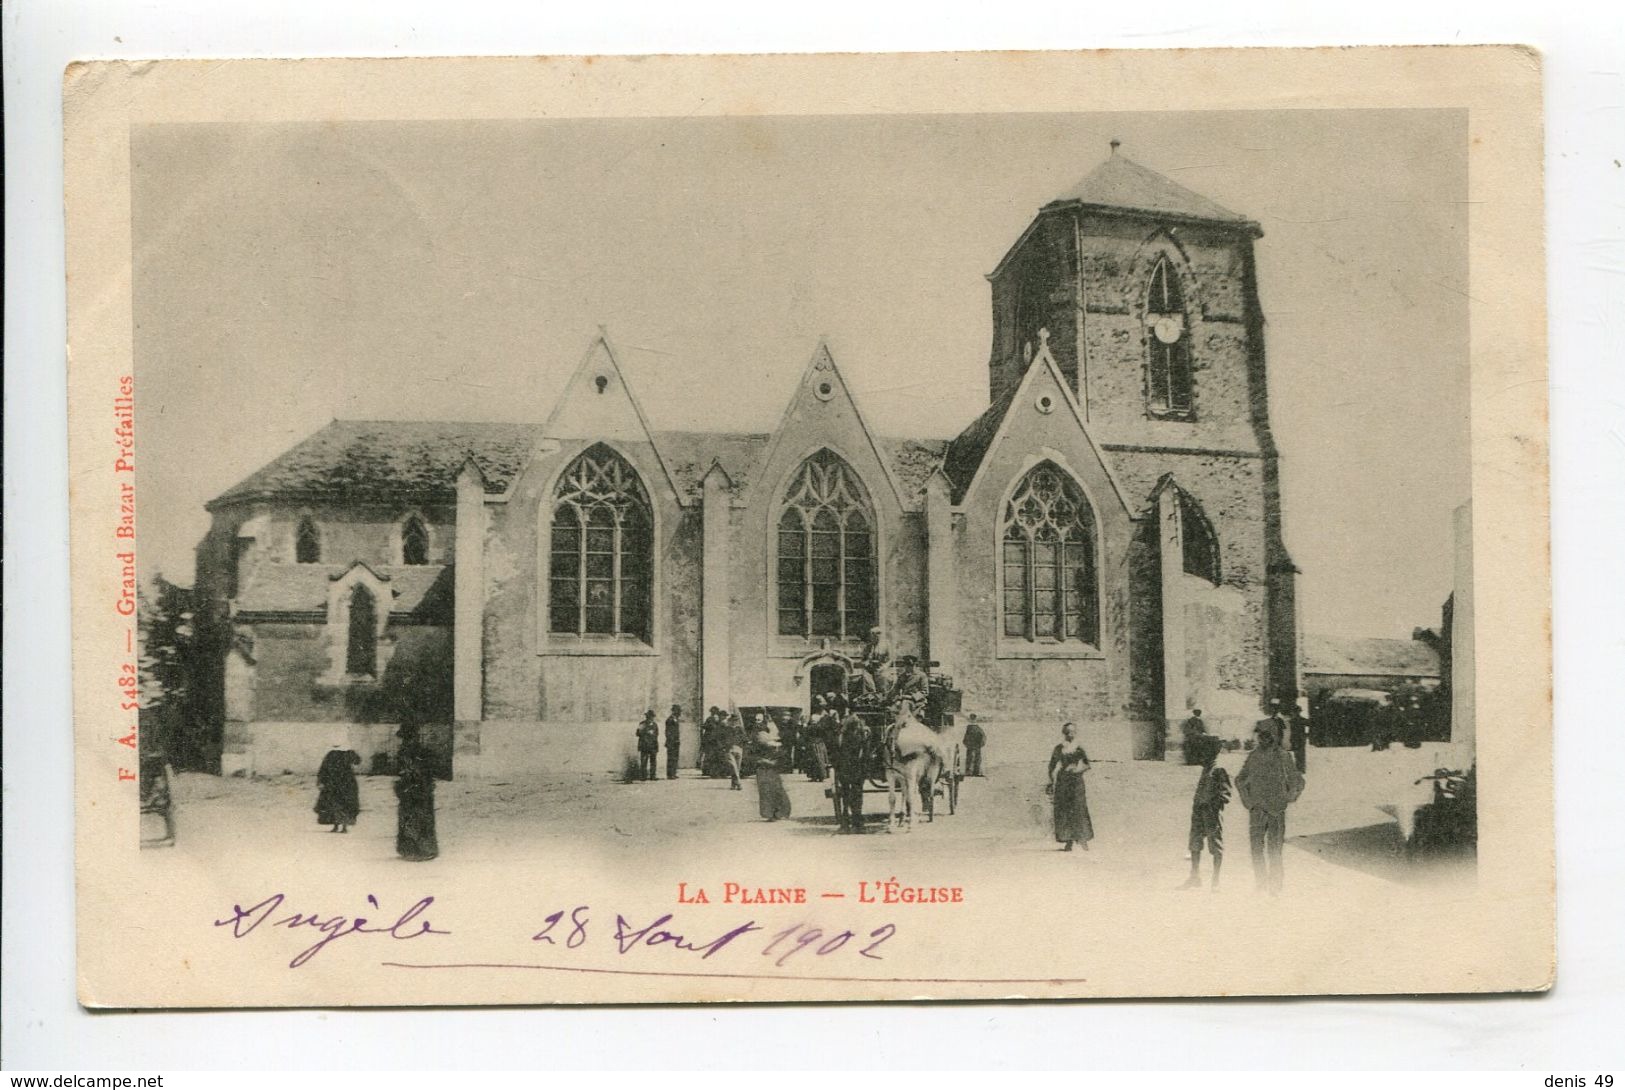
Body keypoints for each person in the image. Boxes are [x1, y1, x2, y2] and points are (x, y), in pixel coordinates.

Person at [1235, 716, 1305, 893]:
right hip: (1257, 810)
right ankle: (1260, 884)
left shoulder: (1283, 756)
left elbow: (1298, 781)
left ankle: (1275, 886)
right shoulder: (1253, 756)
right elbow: (1240, 779)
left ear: (1274, 736)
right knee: (1256, 849)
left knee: (1274, 851)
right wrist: (1248, 801)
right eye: (1261, 736)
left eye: (1267, 735)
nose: (1263, 739)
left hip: (1276, 810)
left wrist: (1288, 797)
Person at [1178, 734, 1231, 890]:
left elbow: (1226, 794)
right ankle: (1195, 877)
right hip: (1199, 811)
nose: (1202, 754)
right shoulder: (1206, 769)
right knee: (1194, 843)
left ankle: (1216, 882)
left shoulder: (1219, 769)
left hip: (1211, 813)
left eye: (1205, 750)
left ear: (1213, 751)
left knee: (1216, 846)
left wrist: (1211, 805)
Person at [1046, 723, 1094, 851]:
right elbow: (1051, 766)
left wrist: (1077, 769)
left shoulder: (1079, 748)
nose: (1070, 735)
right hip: (1063, 782)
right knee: (1064, 810)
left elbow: (1087, 765)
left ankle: (1083, 839)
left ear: (1076, 733)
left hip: (1077, 782)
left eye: (1072, 732)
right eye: (1067, 732)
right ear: (1064, 733)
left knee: (1078, 808)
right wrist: (1051, 781)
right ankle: (1068, 841)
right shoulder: (1059, 748)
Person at [394, 729, 439, 862]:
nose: (403, 742)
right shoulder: (420, 751)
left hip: (416, 789)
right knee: (419, 818)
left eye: (404, 739)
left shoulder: (407, 752)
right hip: (418, 789)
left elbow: (408, 771)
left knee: (414, 818)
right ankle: (421, 849)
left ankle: (417, 850)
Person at [832, 711, 870, 834]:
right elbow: (865, 753)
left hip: (846, 768)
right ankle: (856, 821)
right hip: (855, 768)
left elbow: (836, 752)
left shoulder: (842, 736)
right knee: (857, 794)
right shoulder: (860, 736)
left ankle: (847, 822)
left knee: (846, 794)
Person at [751, 714, 792, 821]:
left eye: (759, 720)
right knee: (766, 789)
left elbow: (773, 744)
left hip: (770, 764)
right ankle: (772, 813)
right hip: (763, 764)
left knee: (773, 788)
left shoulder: (766, 733)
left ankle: (779, 812)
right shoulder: (757, 734)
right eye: (756, 720)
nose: (757, 722)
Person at [314, 745, 362, 833]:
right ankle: (338, 826)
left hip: (343, 783)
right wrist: (321, 780)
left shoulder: (344, 753)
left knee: (342, 804)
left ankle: (342, 827)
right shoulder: (333, 754)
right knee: (336, 804)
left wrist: (321, 780)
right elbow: (324, 768)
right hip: (338, 783)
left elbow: (357, 761)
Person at [723, 711, 746, 790]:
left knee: (737, 768)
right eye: (732, 720)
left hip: (739, 749)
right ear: (730, 721)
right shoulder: (726, 729)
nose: (734, 722)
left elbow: (745, 739)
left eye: (736, 720)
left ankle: (733, 785)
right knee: (733, 766)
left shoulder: (740, 729)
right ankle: (739, 783)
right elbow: (721, 739)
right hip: (729, 749)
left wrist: (742, 745)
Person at [635, 710, 659, 782]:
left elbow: (656, 735)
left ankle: (653, 776)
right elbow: (637, 733)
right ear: (647, 717)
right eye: (649, 717)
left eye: (652, 717)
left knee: (653, 761)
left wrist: (656, 746)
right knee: (644, 761)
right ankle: (643, 776)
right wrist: (646, 732)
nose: (651, 718)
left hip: (652, 746)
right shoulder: (642, 724)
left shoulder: (655, 725)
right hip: (644, 745)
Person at [665, 704, 683, 780]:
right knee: (671, 758)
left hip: (676, 742)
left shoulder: (676, 719)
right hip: (671, 742)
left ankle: (673, 773)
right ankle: (670, 774)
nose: (679, 713)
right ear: (674, 711)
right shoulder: (670, 720)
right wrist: (672, 740)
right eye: (678, 711)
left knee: (675, 758)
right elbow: (668, 732)